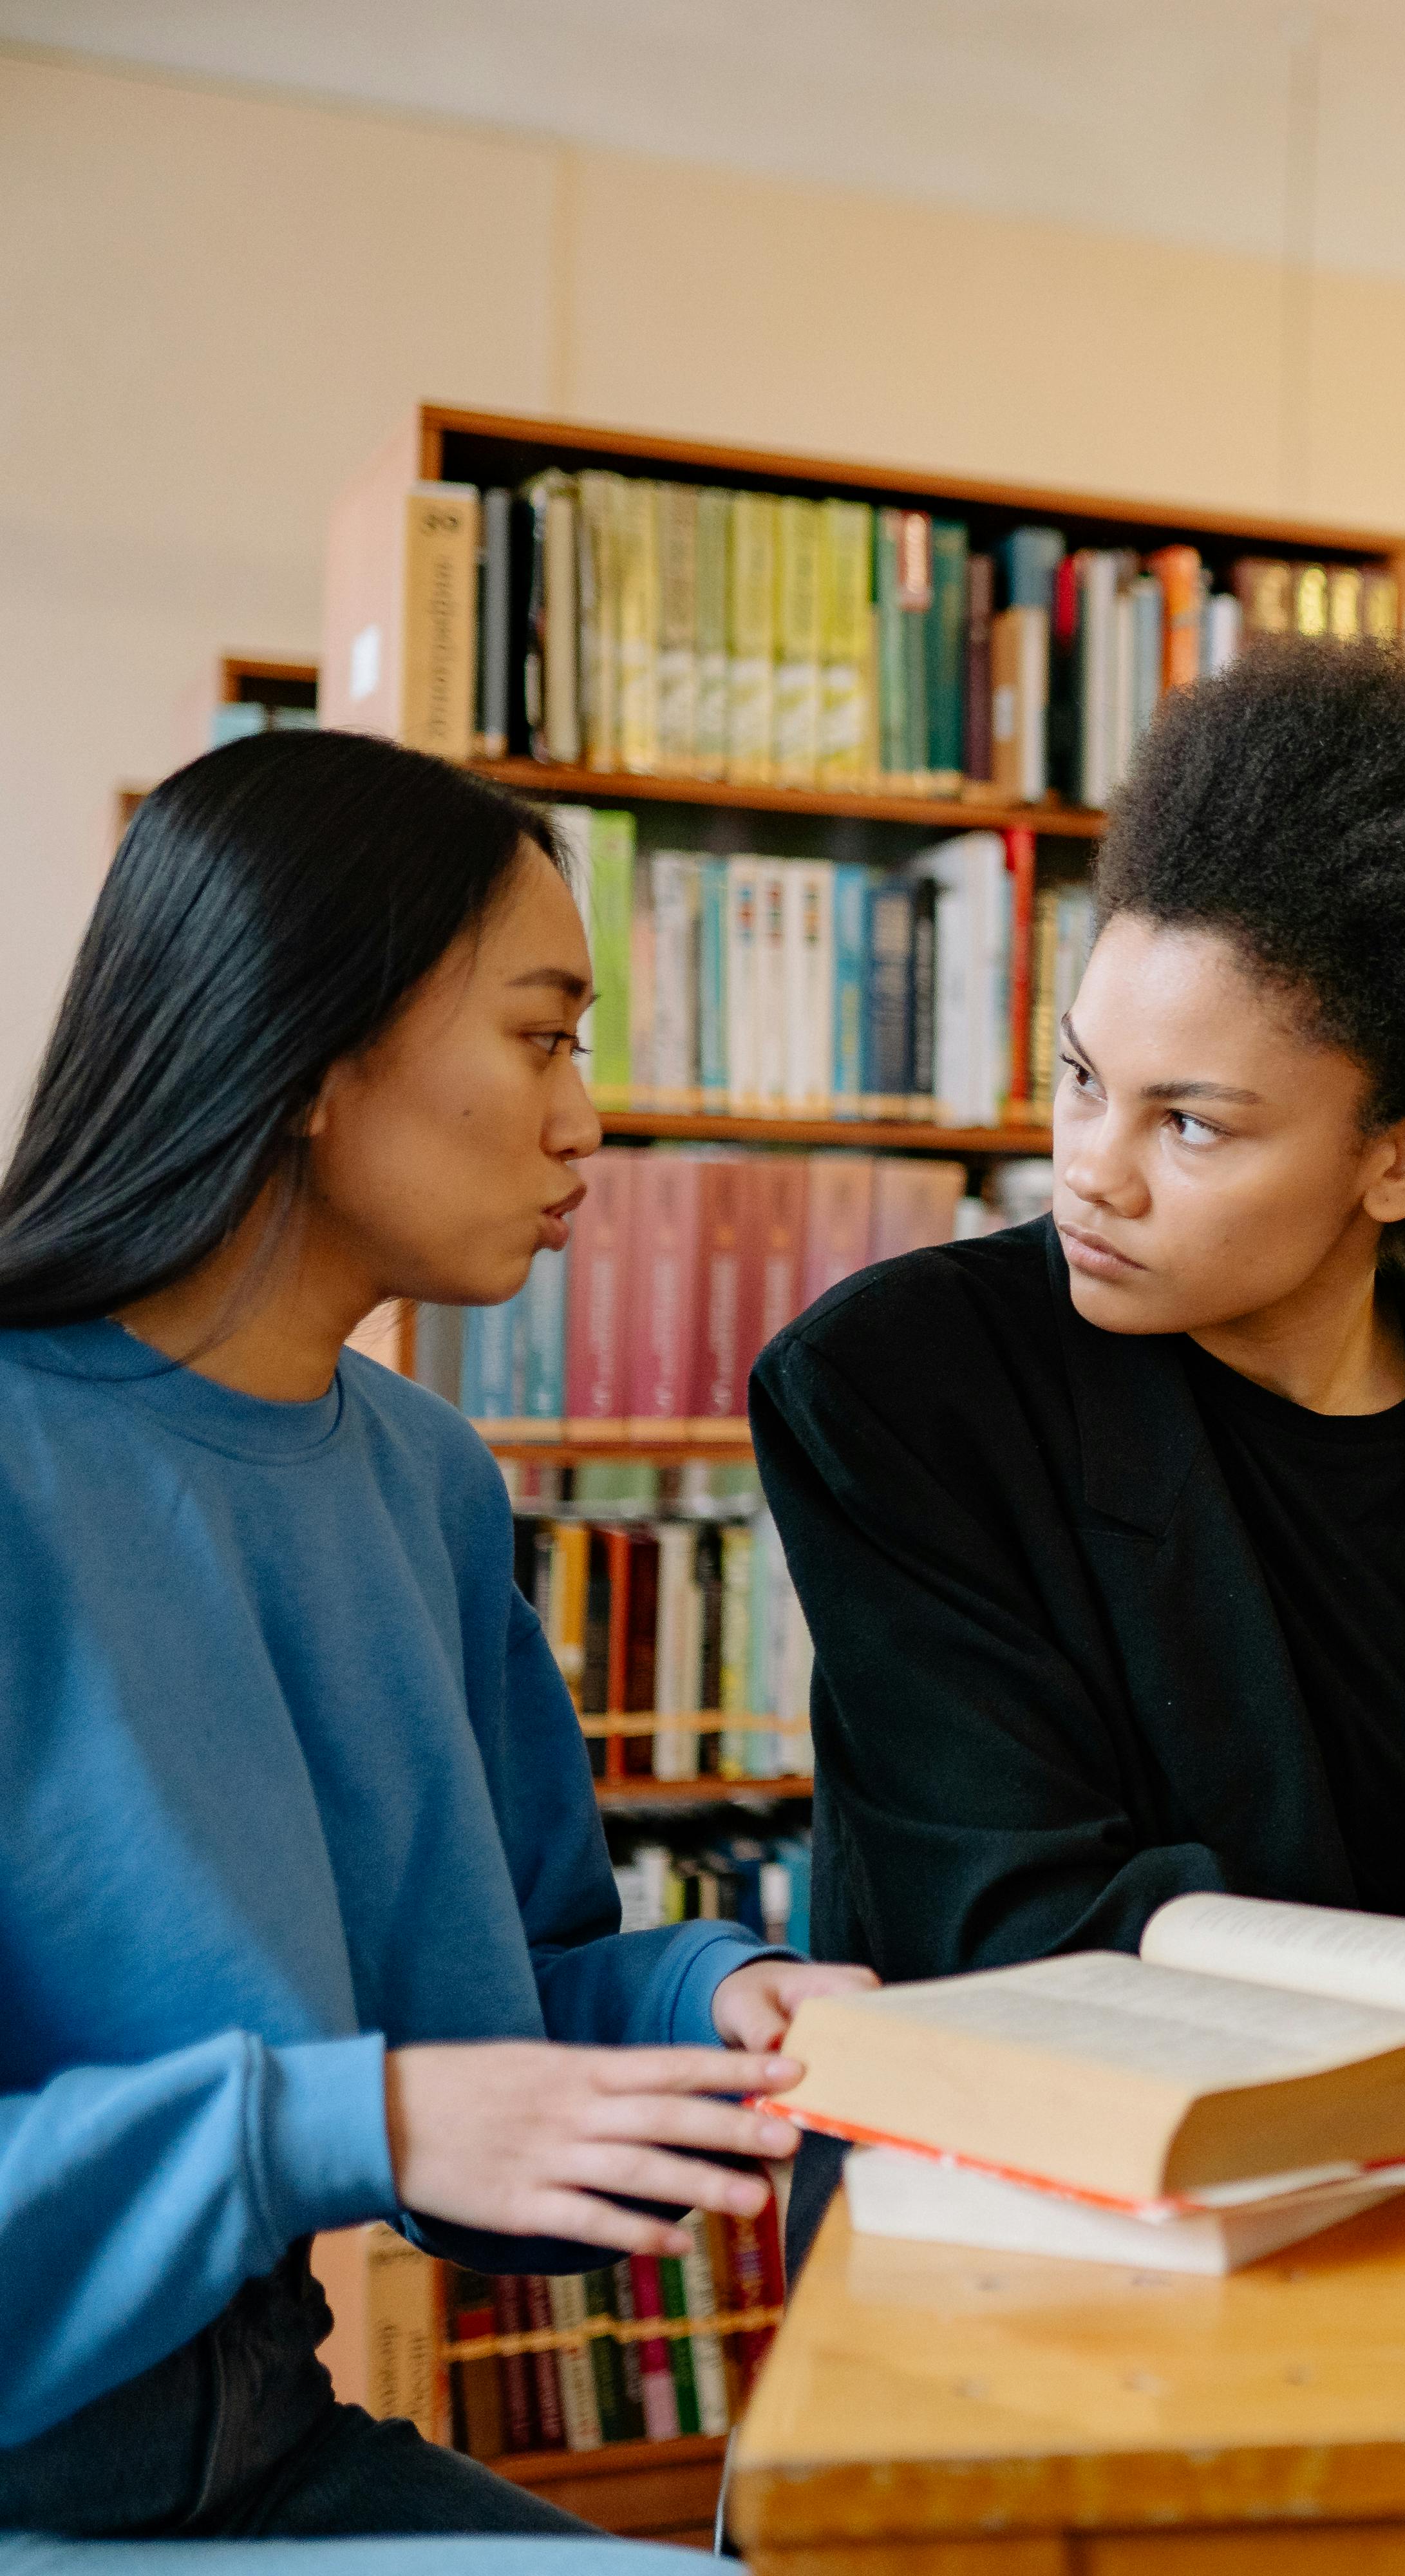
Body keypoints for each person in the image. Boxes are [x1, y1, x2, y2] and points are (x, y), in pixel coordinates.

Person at [0, 730, 863, 2544]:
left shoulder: (428, 1483)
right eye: (542, 1033)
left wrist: (720, 2005)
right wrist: (338, 2128)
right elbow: (384, 2106)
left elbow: (487, 2017)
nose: (586, 1119)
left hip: (269, 2456)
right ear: (309, 1049)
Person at [756, 639, 1405, 2019]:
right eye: (1080, 1078)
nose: (1090, 1170)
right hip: (1061, 2184)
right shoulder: (899, 1387)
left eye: (1189, 1121)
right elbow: (1013, 1919)